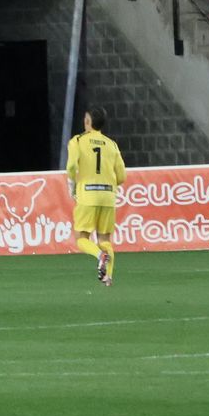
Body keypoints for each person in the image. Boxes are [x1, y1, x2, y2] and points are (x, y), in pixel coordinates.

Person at [67, 107, 125, 288]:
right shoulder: (111, 144)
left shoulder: (77, 141)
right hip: (108, 196)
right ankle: (108, 278)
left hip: (87, 194)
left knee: (81, 238)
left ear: (87, 122)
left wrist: (72, 183)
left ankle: (99, 255)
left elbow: (71, 166)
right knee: (105, 240)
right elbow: (122, 176)